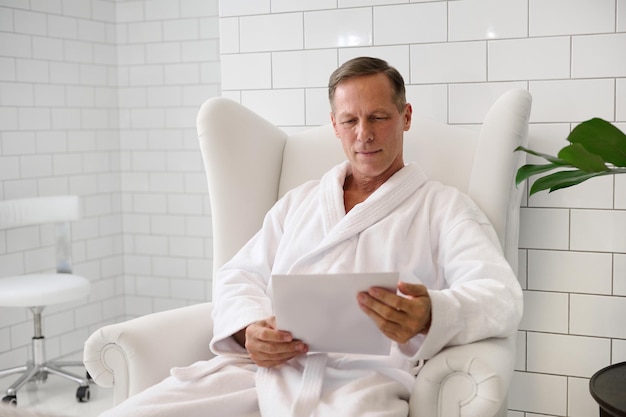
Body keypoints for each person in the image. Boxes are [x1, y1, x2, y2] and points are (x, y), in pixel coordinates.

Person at [100, 57, 523, 417]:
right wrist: (250, 330)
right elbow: (239, 275)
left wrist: (433, 313)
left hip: (360, 385)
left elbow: (500, 296)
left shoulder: (443, 208)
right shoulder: (299, 203)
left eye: (378, 117)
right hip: (261, 375)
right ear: (334, 126)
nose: (364, 134)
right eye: (350, 120)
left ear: (405, 117)